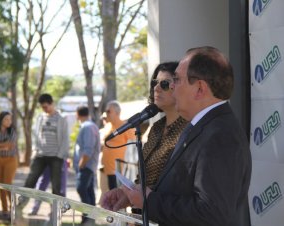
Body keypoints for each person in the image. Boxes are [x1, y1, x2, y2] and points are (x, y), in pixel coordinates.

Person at [101, 46, 252, 226]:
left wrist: (149, 201)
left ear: (199, 88)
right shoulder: (201, 127)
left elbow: (212, 213)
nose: (172, 86)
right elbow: (180, 190)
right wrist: (132, 196)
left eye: (177, 80)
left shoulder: (220, 136)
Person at [18, 93, 69, 209]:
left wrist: (60, 155)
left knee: (56, 186)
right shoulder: (40, 118)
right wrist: (35, 150)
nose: (44, 109)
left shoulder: (61, 119)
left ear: (52, 104)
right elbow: (35, 135)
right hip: (40, 155)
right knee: (30, 181)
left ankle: (56, 212)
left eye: (46, 106)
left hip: (56, 156)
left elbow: (65, 138)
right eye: (42, 107)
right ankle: (20, 206)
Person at [73, 105, 101, 225]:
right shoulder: (90, 126)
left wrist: (81, 164)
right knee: (89, 191)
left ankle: (88, 217)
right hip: (88, 165)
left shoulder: (88, 127)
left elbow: (88, 149)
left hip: (86, 165)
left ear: (78, 114)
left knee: (81, 187)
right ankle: (90, 218)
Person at [101, 100, 135, 190]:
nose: (106, 113)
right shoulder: (108, 126)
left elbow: (133, 146)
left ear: (117, 113)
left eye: (109, 111)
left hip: (119, 171)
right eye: (106, 111)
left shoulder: (125, 127)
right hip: (108, 170)